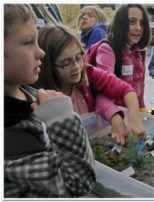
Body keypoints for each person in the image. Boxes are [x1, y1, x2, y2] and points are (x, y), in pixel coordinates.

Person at [4, 4, 96, 197]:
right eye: (29, 42)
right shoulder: (10, 132)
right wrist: (63, 118)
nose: (41, 52)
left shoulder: (28, 92)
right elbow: (78, 182)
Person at [35, 24, 146, 145]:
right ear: (48, 66)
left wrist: (133, 119)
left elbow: (126, 90)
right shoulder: (42, 98)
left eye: (79, 57)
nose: (76, 67)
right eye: (66, 63)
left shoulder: (88, 72)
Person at [89, 4, 151, 111]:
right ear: (120, 23)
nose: (138, 28)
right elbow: (104, 92)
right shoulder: (107, 50)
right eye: (132, 22)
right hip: (113, 119)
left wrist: (141, 109)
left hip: (133, 115)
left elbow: (140, 85)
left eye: (142, 23)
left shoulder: (140, 51)